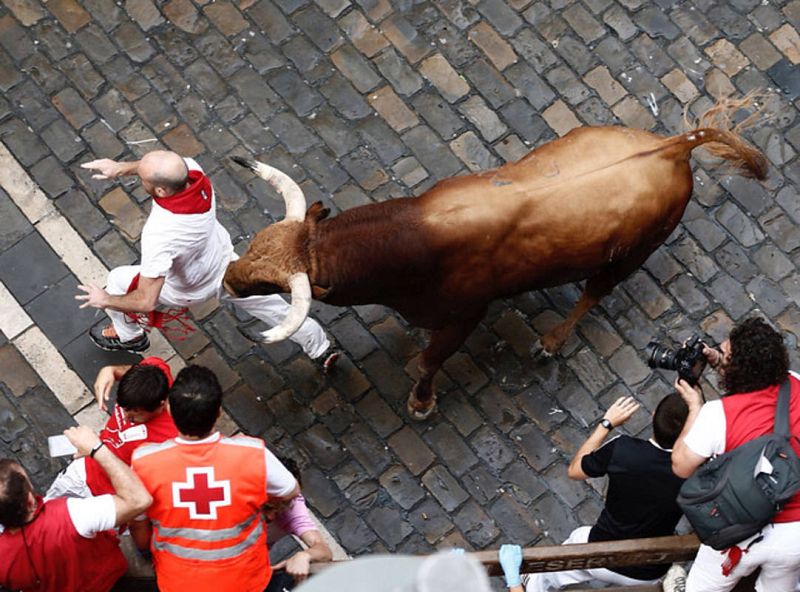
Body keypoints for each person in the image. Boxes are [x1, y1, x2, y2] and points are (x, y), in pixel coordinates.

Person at [75, 151, 337, 369]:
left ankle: (129, 337)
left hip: (189, 289)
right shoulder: (192, 169)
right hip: (225, 261)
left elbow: (146, 300)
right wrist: (120, 169)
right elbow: (159, 170)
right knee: (275, 308)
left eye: (142, 177)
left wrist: (105, 300)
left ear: (160, 190)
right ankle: (320, 347)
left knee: (116, 281)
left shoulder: (160, 233)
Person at [130, 365, 300, 592]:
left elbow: (138, 524)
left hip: (178, 584)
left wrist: (145, 552)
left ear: (170, 410)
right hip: (248, 581)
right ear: (218, 412)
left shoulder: (145, 461)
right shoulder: (252, 454)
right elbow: (290, 490)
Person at [499, 393, 689, 591]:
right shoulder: (694, 474)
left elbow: (575, 471)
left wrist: (606, 424)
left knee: (564, 553)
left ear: (653, 415)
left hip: (600, 553)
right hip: (648, 574)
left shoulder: (623, 448)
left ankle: (529, 583)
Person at [672, 317, 800, 592]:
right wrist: (719, 360)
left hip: (743, 535)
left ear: (739, 370)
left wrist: (695, 407)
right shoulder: (797, 382)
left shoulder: (716, 416)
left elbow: (681, 466)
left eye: (726, 353)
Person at [0, 425, 152, 591]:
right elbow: (139, 500)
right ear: (29, 501)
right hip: (107, 583)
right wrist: (97, 449)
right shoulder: (72, 515)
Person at [45, 358, 177, 499]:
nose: (125, 418)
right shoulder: (154, 370)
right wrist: (111, 370)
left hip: (108, 499)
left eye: (133, 418)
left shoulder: (172, 439)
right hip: (80, 472)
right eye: (123, 410)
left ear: (160, 405)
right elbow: (127, 370)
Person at [262, 457, 333, 588]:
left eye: (285, 503)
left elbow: (323, 550)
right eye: (268, 507)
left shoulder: (292, 506)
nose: (272, 516)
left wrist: (304, 556)